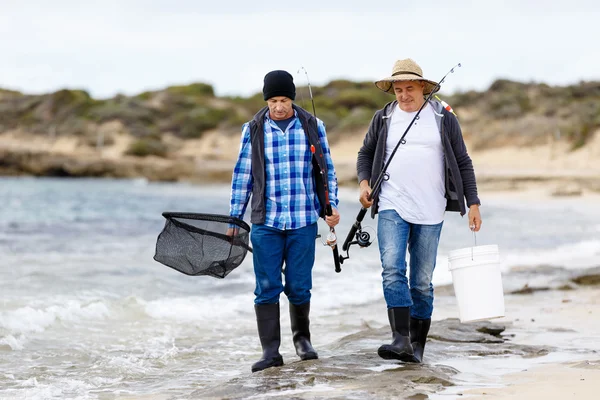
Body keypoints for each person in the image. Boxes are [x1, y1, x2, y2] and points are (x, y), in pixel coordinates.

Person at [356, 58, 481, 363]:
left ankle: (418, 345)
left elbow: (463, 161)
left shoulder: (442, 118)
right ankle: (400, 340)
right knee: (392, 268)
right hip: (391, 204)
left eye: (409, 88)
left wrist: (473, 202)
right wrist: (363, 183)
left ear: (423, 87)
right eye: (398, 89)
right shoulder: (383, 117)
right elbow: (366, 152)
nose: (403, 95)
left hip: (431, 208)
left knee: (422, 280)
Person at [228, 70, 340, 372]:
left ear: (292, 99)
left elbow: (327, 170)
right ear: (267, 100)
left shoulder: (313, 127)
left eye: (285, 100)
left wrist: (332, 206)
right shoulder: (252, 129)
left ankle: (302, 341)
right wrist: (234, 218)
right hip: (266, 222)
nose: (279, 106)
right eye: (274, 100)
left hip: (303, 220)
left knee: (300, 286)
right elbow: (242, 177)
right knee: (266, 287)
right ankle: (270, 352)